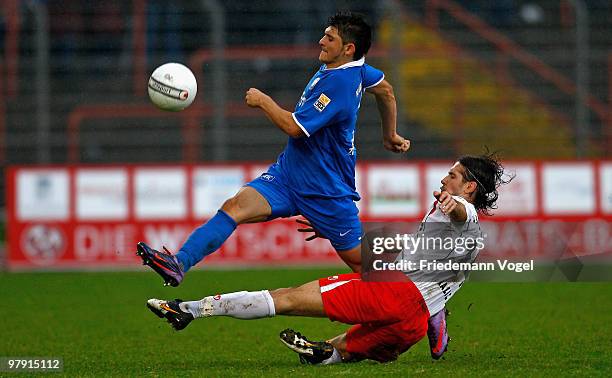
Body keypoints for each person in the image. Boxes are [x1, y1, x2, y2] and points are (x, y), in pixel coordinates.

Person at [144, 153, 511, 364]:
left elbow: (463, 212)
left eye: (453, 175)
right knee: (341, 350)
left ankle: (188, 309)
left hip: (393, 293)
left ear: (469, 188)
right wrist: (336, 231)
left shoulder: (460, 210)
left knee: (285, 298)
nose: (445, 178)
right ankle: (328, 354)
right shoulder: (469, 242)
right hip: (409, 325)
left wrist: (453, 204)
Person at [136, 11, 408, 284]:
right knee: (235, 207)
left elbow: (294, 128)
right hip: (288, 176)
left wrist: (263, 100)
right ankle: (179, 263)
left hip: (326, 189)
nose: (321, 41)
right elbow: (386, 91)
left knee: (362, 264)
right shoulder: (356, 68)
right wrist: (390, 134)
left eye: (329, 38)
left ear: (348, 49)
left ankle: (420, 293)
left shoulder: (340, 83)